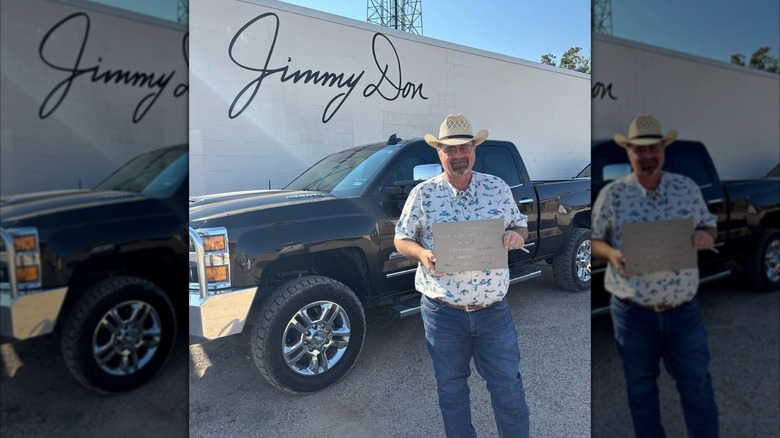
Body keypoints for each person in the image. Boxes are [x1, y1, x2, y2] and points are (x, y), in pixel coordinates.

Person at [394, 114, 530, 438]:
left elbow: (519, 222)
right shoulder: (423, 195)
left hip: (493, 313)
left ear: (474, 148)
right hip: (443, 314)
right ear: (439, 152)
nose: (458, 155)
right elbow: (401, 238)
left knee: (508, 389)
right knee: (452, 392)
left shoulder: (497, 188)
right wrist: (421, 254)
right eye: (449, 149)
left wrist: (518, 236)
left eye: (464, 147)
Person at [592, 114, 719, 437]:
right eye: (639, 149)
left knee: (698, 389)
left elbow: (708, 222)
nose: (647, 155)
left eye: (654, 148)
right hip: (633, 313)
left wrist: (706, 235)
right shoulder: (613, 195)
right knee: (641, 391)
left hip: (683, 311)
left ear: (663, 149)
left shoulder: (686, 188)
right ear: (629, 152)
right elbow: (594, 240)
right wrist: (612, 254)